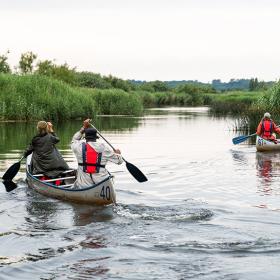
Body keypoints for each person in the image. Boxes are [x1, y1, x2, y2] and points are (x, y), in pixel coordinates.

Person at [71, 119, 123, 189]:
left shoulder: (78, 146)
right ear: (96, 137)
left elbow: (74, 140)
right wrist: (118, 154)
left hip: (84, 185)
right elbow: (119, 161)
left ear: (85, 137)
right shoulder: (104, 148)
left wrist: (83, 128)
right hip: (102, 183)